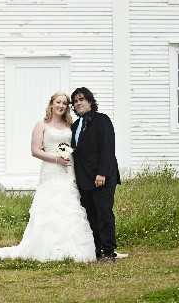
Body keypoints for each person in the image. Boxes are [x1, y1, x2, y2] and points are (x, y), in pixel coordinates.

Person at [0, 92, 96, 262]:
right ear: (51, 103)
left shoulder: (70, 124)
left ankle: (73, 248)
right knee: (51, 206)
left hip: (68, 171)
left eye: (64, 103)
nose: (61, 106)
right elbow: (35, 151)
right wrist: (56, 159)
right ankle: (46, 247)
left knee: (70, 204)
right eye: (58, 102)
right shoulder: (41, 125)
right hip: (51, 170)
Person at [70, 87, 121, 262]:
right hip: (84, 179)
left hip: (102, 177)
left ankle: (109, 251)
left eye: (81, 99)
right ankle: (97, 250)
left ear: (90, 101)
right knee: (91, 216)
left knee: (104, 213)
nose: (78, 103)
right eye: (75, 101)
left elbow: (108, 148)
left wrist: (102, 173)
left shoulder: (102, 120)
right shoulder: (75, 126)